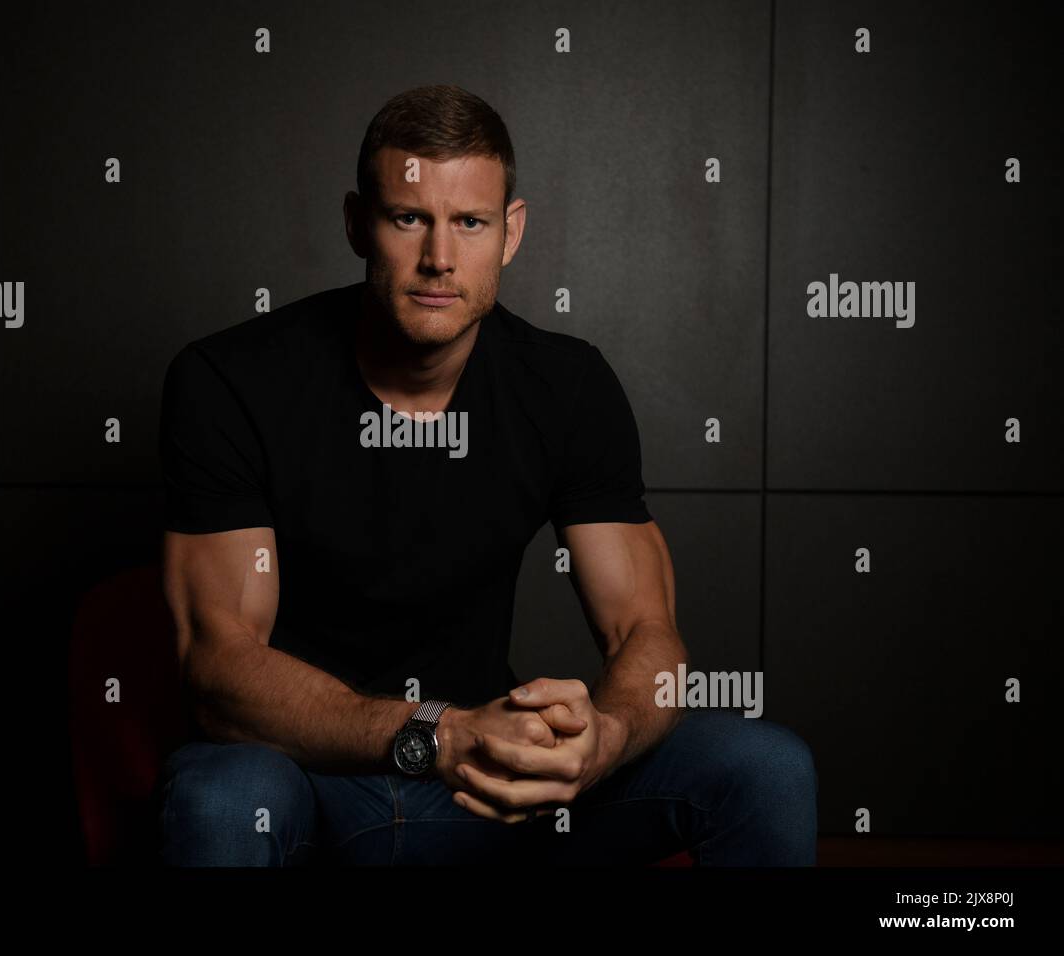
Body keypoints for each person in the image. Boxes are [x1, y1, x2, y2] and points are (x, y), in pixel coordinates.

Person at [155, 83, 817, 866]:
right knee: (221, 797)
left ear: (511, 233)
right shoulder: (231, 380)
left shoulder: (565, 386)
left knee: (766, 767)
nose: (440, 258)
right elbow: (219, 667)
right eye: (409, 218)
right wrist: (433, 731)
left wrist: (604, 737)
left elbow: (649, 633)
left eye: (469, 222)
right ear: (357, 224)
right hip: (310, 777)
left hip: (487, 783)